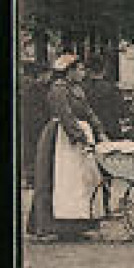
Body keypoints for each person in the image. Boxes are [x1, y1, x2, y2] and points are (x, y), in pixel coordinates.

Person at [27, 53, 106, 241]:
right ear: (69, 72)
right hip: (60, 137)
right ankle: (52, 225)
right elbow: (65, 115)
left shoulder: (77, 89)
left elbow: (88, 111)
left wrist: (99, 129)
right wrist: (79, 136)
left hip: (76, 135)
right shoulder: (58, 89)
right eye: (79, 69)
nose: (83, 72)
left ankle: (77, 224)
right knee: (56, 179)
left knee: (79, 180)